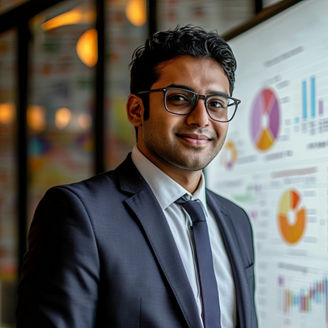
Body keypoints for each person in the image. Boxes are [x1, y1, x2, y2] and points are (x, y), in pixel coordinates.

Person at [16, 25, 257, 328]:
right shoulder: (78, 213)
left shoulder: (236, 221)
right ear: (135, 110)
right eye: (180, 98)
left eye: (216, 103)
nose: (201, 119)